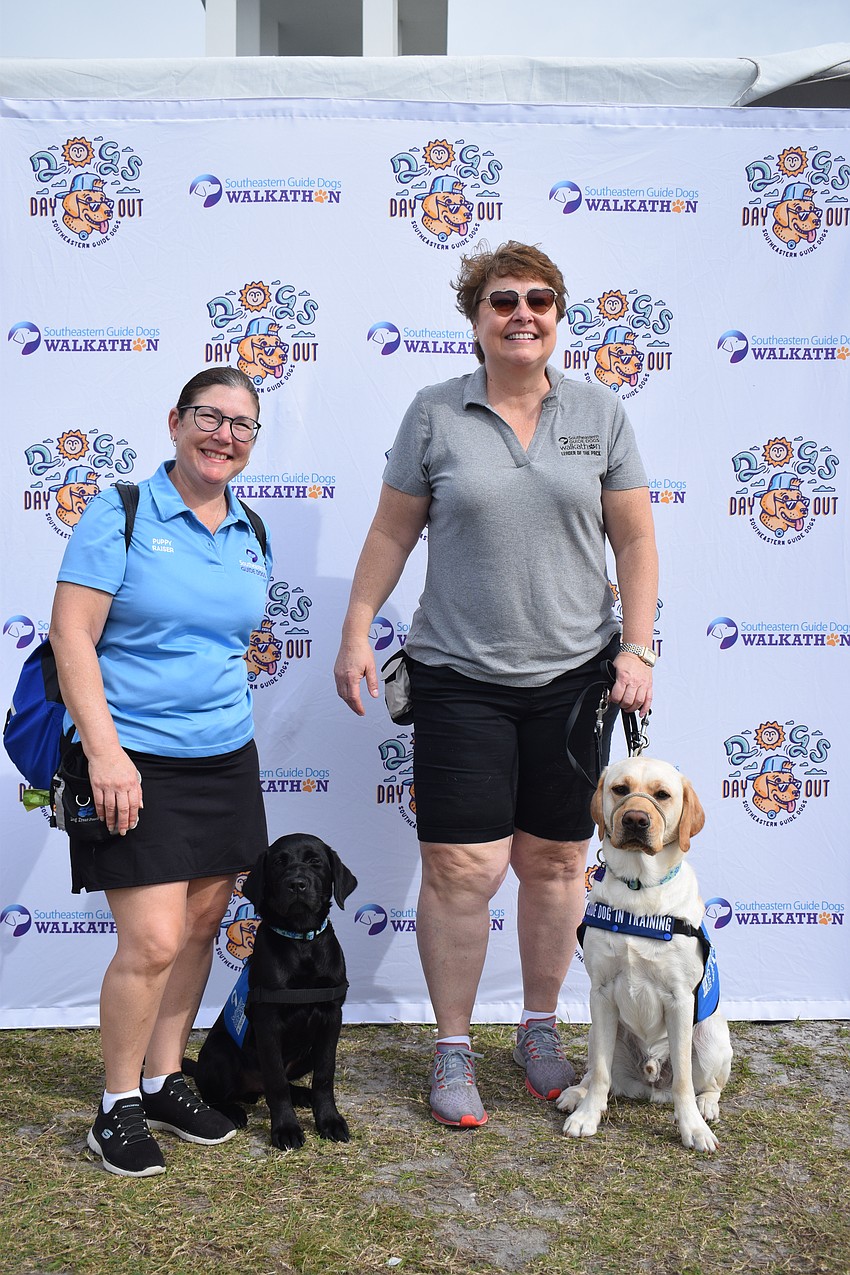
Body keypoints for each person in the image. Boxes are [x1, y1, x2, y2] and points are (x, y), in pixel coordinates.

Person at [334, 242, 658, 1127]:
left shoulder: (601, 412)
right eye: (502, 299)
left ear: (559, 316)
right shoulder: (435, 413)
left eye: (540, 300)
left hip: (575, 679)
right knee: (460, 867)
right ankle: (452, 1048)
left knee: (555, 863)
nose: (523, 313)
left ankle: (541, 1031)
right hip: (459, 677)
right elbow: (392, 533)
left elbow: (632, 542)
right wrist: (358, 628)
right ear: (475, 318)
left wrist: (639, 648)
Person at [49, 367, 272, 1175]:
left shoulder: (252, 528)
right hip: (130, 757)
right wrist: (105, 753)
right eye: (211, 417)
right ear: (176, 420)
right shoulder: (121, 512)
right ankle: (116, 1105)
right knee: (151, 938)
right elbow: (72, 636)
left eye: (243, 425)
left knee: (203, 929)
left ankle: (163, 1074)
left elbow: (223, 646)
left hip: (225, 759)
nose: (225, 435)